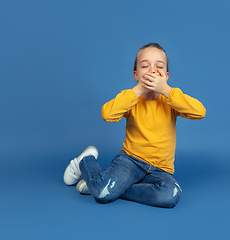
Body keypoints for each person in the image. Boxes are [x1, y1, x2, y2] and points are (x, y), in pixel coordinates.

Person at [63, 43, 206, 208]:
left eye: (159, 66)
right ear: (136, 75)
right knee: (102, 195)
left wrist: (166, 90)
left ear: (166, 76)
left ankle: (103, 183)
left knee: (170, 195)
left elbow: (199, 112)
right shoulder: (131, 98)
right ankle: (85, 161)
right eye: (145, 66)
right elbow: (107, 114)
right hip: (130, 162)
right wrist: (138, 90)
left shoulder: (171, 99)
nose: (152, 70)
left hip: (161, 169)